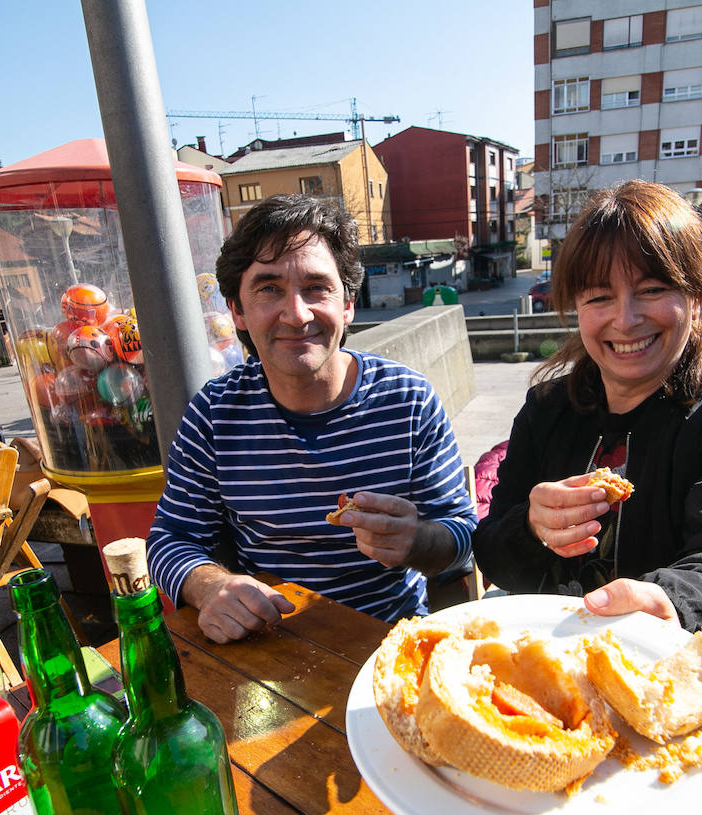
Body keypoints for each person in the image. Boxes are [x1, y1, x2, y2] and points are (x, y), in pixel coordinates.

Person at [471, 180, 702, 692]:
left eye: (652, 289)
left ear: (697, 297)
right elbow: (495, 557)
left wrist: (666, 602)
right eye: (599, 296)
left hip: (687, 684)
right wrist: (531, 527)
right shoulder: (547, 410)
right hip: (568, 671)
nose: (626, 318)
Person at [145, 195, 477, 644]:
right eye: (268, 289)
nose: (297, 314)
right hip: (269, 644)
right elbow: (171, 535)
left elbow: (462, 535)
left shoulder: (408, 401)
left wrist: (416, 540)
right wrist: (211, 586)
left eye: (317, 287)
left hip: (389, 642)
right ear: (237, 311)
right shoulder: (215, 414)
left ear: (348, 305)